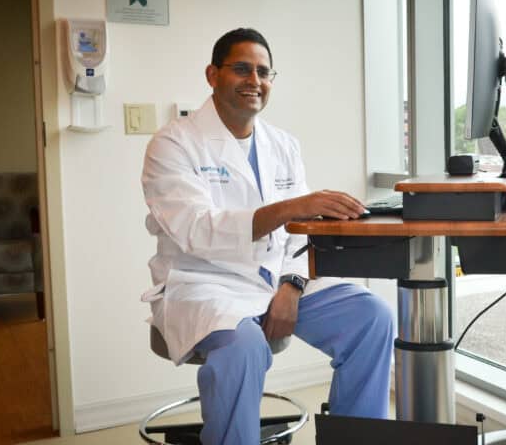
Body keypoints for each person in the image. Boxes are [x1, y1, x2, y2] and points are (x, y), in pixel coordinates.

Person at [141, 28, 395, 444]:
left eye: (263, 71)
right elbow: (196, 230)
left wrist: (292, 285)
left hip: (276, 281)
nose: (254, 81)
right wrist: (294, 207)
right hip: (204, 286)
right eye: (241, 68)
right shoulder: (173, 144)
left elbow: (299, 236)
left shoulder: (282, 145)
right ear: (212, 74)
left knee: (372, 318)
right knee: (244, 349)